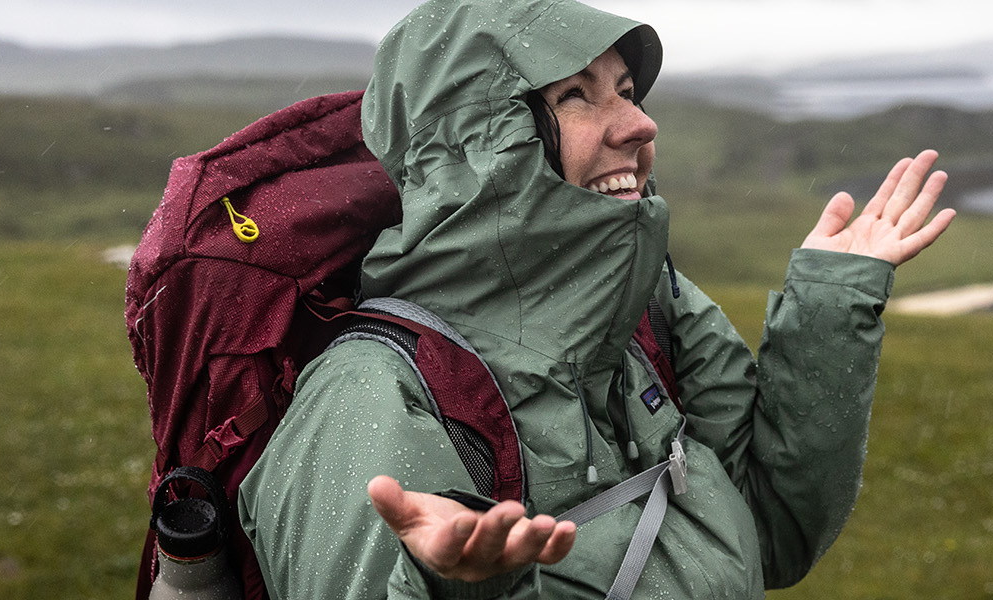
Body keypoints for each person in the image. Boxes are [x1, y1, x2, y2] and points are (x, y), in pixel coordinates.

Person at [235, 0, 955, 597]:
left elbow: (771, 530)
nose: (640, 126)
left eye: (629, 92)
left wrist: (829, 308)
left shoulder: (649, 312)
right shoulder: (370, 394)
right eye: (576, 94)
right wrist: (457, 587)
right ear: (479, 146)